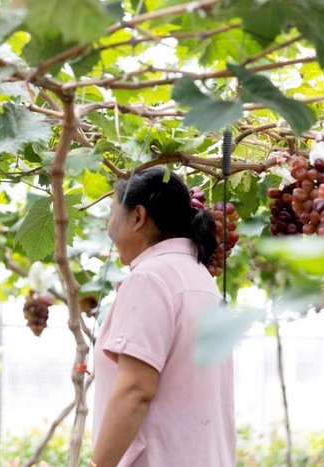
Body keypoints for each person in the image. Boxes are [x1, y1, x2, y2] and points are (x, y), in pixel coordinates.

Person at [91, 167, 235, 467]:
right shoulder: (199, 278)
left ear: (138, 217)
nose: (108, 227)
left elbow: (135, 390)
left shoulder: (150, 278)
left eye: (111, 212)